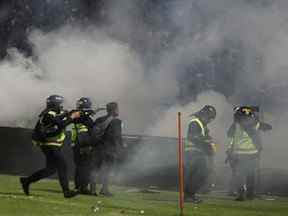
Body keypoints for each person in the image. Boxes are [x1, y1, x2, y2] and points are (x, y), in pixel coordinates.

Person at [20, 95, 80, 198]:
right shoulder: (48, 114)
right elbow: (61, 124)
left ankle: (26, 181)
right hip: (49, 144)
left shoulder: (50, 112)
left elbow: (59, 118)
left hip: (50, 144)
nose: (61, 106)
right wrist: (72, 116)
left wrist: (69, 114)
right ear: (55, 104)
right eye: (60, 104)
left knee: (50, 169)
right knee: (63, 165)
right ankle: (66, 191)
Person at [226, 106, 272, 201]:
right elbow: (267, 127)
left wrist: (229, 151)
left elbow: (230, 138)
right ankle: (246, 194)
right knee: (247, 175)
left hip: (243, 154)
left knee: (244, 175)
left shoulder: (236, 125)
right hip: (247, 155)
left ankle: (245, 194)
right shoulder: (250, 124)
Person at [184, 105, 217, 203]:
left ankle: (189, 195)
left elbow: (204, 137)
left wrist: (210, 143)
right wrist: (207, 142)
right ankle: (189, 195)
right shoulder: (195, 123)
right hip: (193, 152)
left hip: (196, 153)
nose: (210, 120)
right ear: (204, 115)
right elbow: (194, 137)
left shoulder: (202, 124)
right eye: (209, 118)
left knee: (197, 175)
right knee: (201, 173)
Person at [92, 102, 123, 196]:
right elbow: (116, 136)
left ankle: (92, 190)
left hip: (98, 148)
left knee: (95, 170)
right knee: (107, 170)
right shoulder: (117, 121)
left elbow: (93, 133)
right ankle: (104, 189)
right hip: (109, 149)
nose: (118, 111)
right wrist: (120, 147)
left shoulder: (98, 119)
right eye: (117, 109)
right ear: (114, 110)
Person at [71, 97, 95, 195]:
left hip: (76, 145)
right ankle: (83, 187)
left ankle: (78, 186)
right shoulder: (83, 117)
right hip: (83, 145)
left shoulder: (77, 116)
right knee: (86, 167)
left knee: (80, 167)